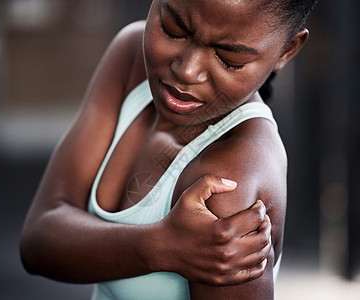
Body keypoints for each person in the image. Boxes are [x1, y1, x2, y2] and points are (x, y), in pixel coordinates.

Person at [20, 0, 318, 299]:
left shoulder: (230, 179)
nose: (187, 71)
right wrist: (159, 245)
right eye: (173, 29)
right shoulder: (130, 56)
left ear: (287, 50)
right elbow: (38, 241)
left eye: (229, 59)